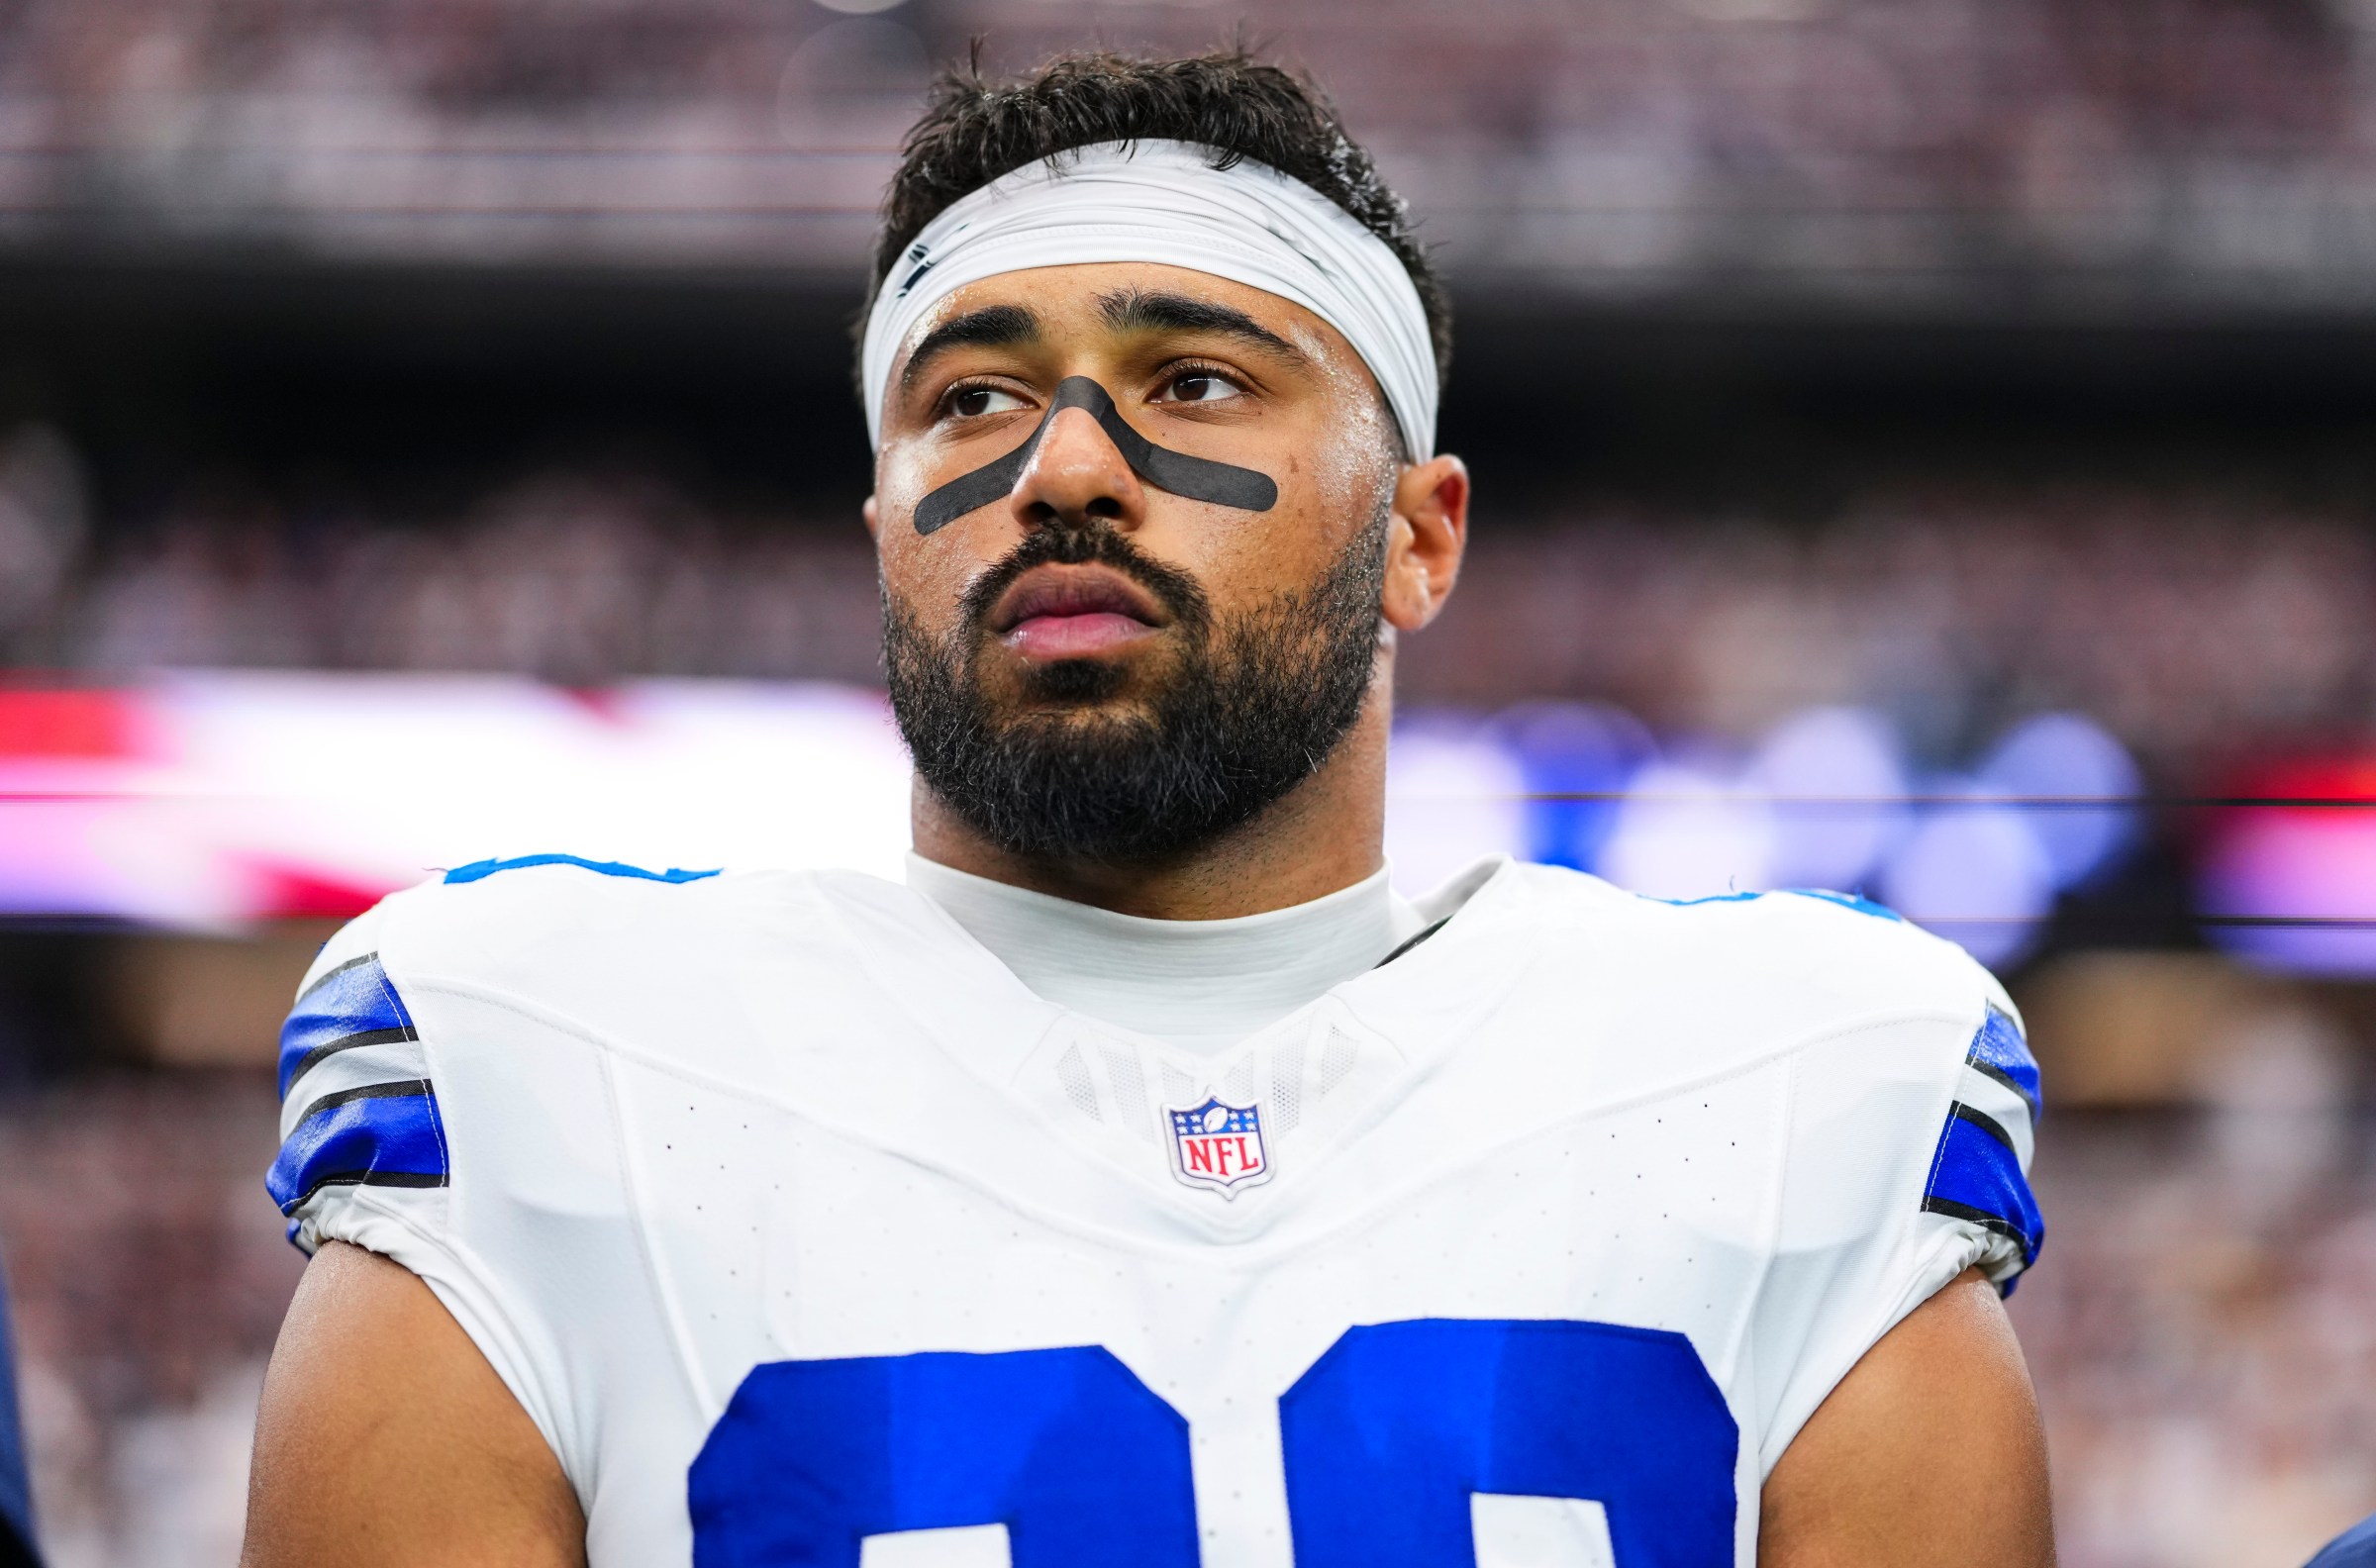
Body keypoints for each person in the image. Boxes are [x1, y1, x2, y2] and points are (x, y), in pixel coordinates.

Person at [241, 49, 2053, 1568]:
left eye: (1191, 380)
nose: (1069, 471)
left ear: (1416, 539)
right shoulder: (535, 1058)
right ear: (882, 530)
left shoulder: (1799, 1083)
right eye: (973, 400)